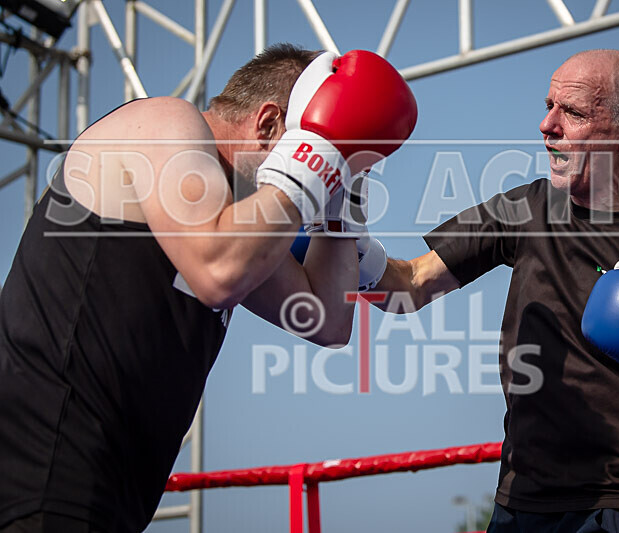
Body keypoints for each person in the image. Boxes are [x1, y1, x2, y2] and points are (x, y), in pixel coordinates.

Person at [0, 43, 416, 532]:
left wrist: (338, 197)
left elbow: (326, 319)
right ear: (267, 125)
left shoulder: (228, 225)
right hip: (42, 470)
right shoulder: (162, 123)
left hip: (111, 492)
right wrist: (320, 155)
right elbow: (218, 270)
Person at [370, 49, 619, 531]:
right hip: (519, 496)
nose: (547, 125)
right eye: (548, 105)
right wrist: (342, 230)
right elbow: (409, 286)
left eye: (574, 112)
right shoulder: (524, 209)